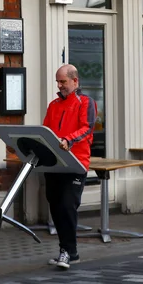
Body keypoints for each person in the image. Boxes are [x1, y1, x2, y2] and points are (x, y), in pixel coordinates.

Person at [43, 64, 97, 269]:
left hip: (76, 163)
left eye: (63, 81)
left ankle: (69, 251)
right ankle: (66, 251)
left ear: (75, 81)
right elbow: (46, 130)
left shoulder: (86, 102)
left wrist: (69, 140)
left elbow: (87, 128)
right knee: (55, 207)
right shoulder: (54, 105)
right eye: (58, 81)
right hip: (55, 163)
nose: (59, 85)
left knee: (67, 206)